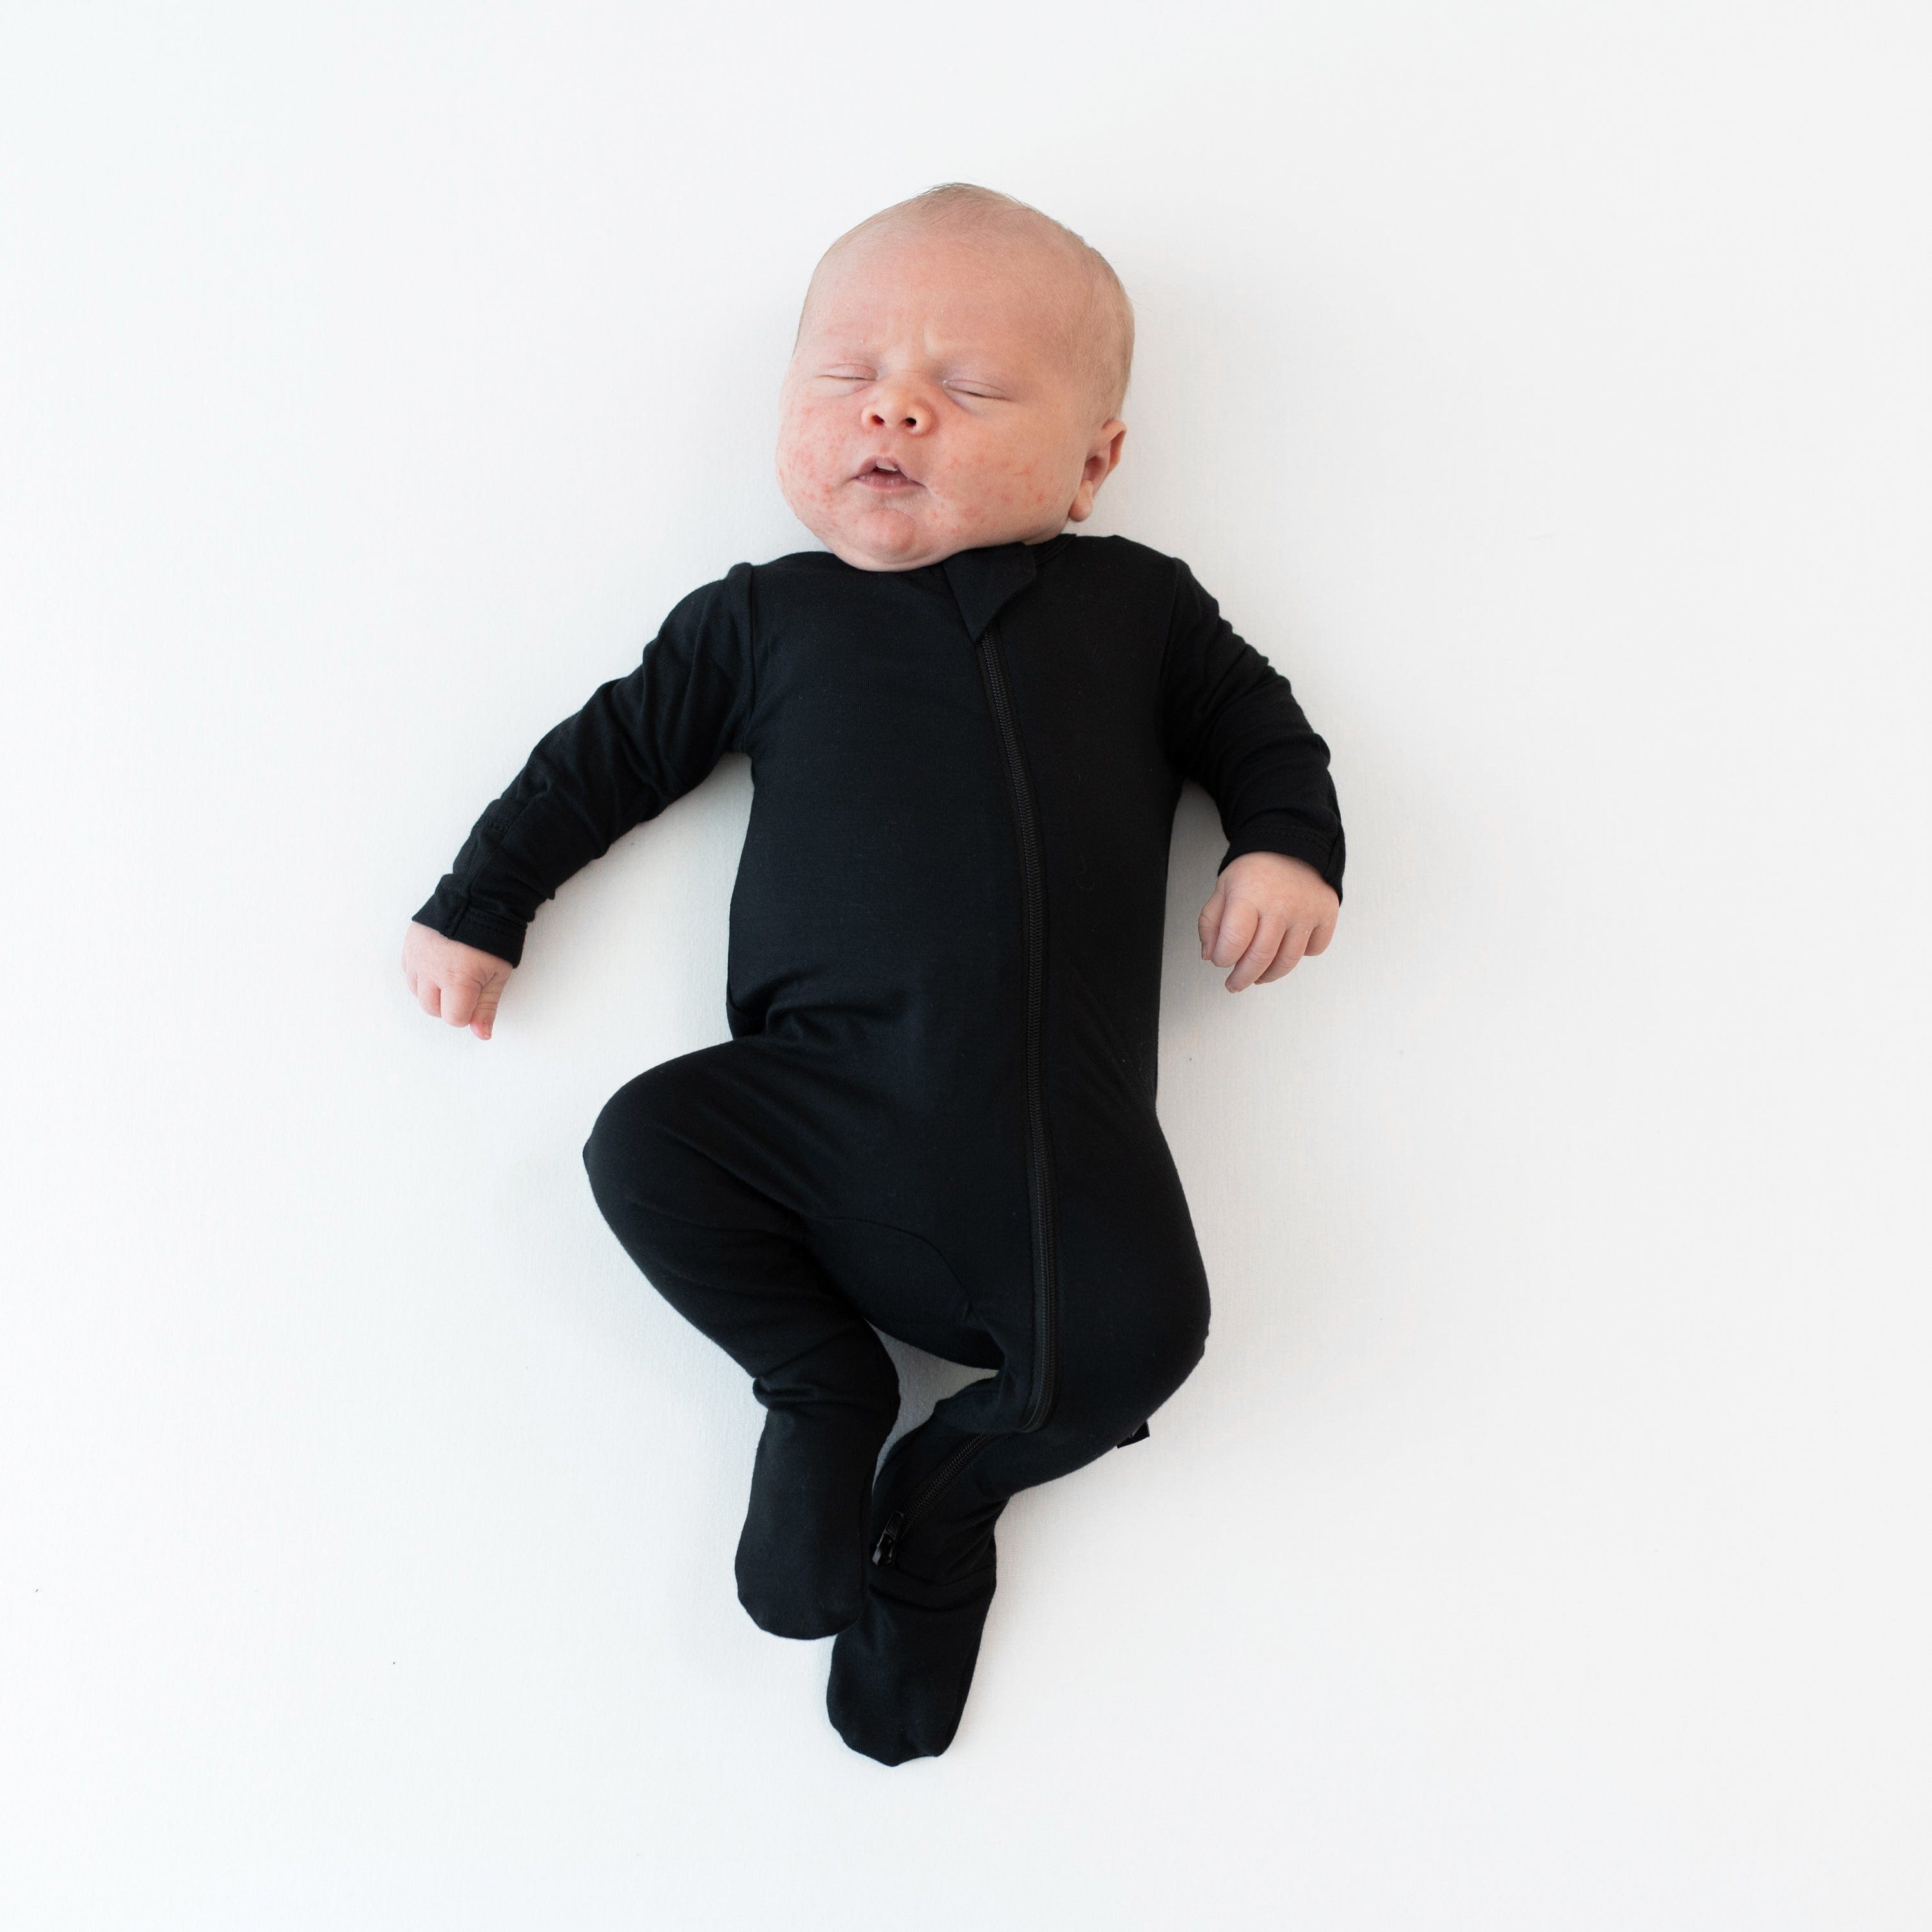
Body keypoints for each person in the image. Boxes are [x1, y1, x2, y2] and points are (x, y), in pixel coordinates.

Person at [401, 183, 1345, 1765]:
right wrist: (483, 901)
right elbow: (610, 755)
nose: (895, 405)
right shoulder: (766, 620)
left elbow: (1263, 729)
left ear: (1094, 463)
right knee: (644, 1145)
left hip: (1061, 1150)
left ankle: (950, 1497)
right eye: (847, 377)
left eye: (968, 389)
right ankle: (820, 1382)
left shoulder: (1140, 611)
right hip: (824, 1113)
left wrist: (1287, 847)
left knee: (1150, 1341)